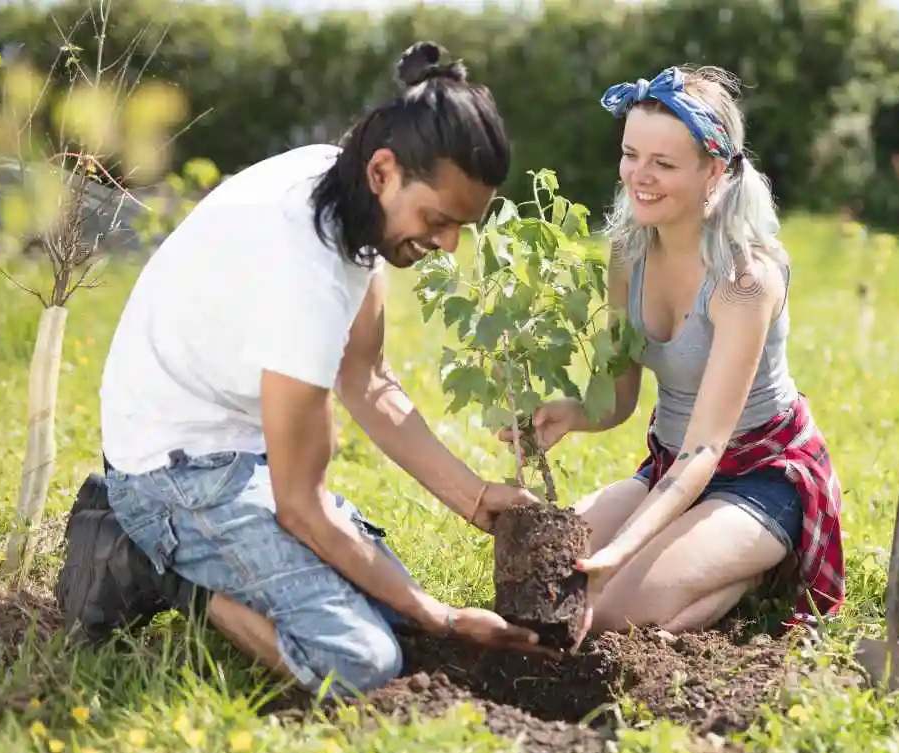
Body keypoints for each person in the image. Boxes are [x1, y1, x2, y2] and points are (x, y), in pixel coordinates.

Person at [53, 41, 558, 701]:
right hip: (171, 473)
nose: (449, 244)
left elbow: (367, 379)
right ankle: (148, 562)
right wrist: (439, 612)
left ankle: (172, 552)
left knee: (393, 615)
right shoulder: (304, 272)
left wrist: (472, 496)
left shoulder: (344, 188)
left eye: (465, 224)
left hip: (235, 446)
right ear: (385, 172)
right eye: (439, 219)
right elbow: (302, 508)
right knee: (363, 662)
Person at [502, 65, 846, 651]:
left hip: (759, 475)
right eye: (631, 155)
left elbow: (708, 448)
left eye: (663, 164)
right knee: (545, 572)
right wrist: (570, 413)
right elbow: (621, 398)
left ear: (715, 170)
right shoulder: (626, 254)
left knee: (613, 615)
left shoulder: (744, 282)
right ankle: (695, 555)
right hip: (669, 470)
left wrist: (619, 554)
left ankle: (755, 570)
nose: (639, 177)